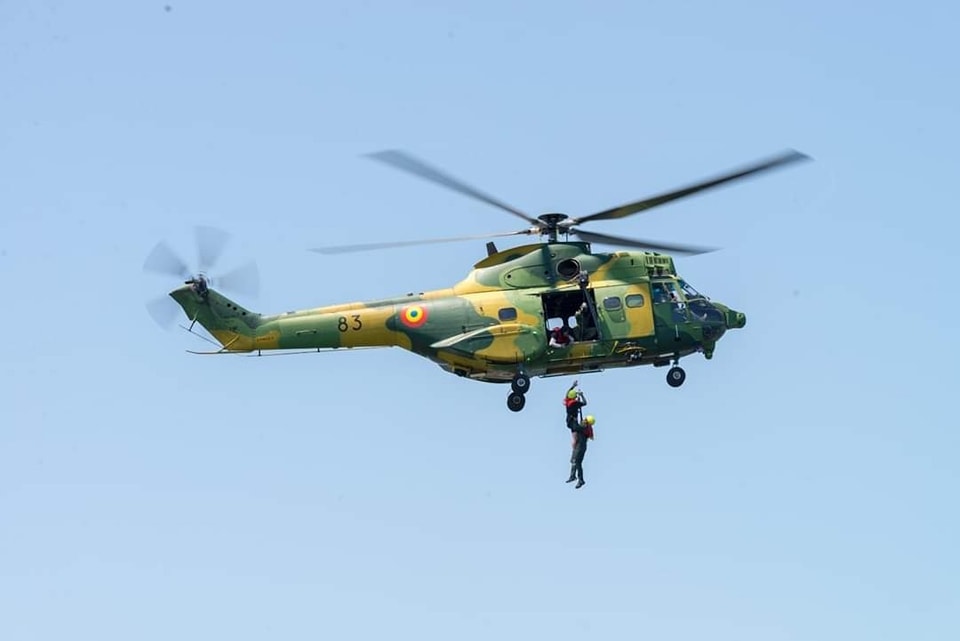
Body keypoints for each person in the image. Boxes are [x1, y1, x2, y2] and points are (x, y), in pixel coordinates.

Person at [567, 414, 595, 489]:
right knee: (577, 463)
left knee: (575, 461)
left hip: (580, 446)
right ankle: (580, 479)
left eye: (585, 420)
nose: (583, 421)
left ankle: (573, 476)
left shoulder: (584, 427)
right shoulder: (587, 428)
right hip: (581, 446)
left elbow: (576, 427)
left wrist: (573, 420)